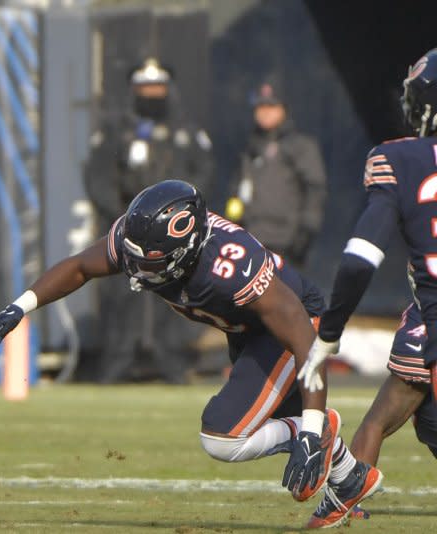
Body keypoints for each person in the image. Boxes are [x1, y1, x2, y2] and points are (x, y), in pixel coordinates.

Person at [0, 179, 376, 523]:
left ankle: (319, 433)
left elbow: (307, 345)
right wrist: (21, 305)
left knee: (224, 436)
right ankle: (350, 481)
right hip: (247, 332)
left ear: (186, 249)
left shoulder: (230, 266)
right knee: (285, 452)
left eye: (150, 263)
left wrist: (309, 428)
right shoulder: (144, 238)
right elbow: (82, 266)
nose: (136, 271)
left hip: (296, 327)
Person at [298, 48, 437, 528]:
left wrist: (329, 331)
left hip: (431, 319)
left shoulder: (399, 158)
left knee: (391, 414)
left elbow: (360, 260)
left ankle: (339, 501)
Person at [82, 57, 215, 383]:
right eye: (145, 88)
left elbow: (205, 172)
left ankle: (172, 362)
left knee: (173, 294)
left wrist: (182, 213)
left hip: (174, 232)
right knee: (122, 297)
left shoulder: (186, 130)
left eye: (157, 87)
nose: (152, 94)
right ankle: (117, 362)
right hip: (128, 227)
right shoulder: (117, 130)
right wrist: (123, 215)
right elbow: (97, 176)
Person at [225, 79, 327, 269]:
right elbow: (236, 191)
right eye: (260, 106)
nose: (265, 112)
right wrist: (233, 224)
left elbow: (315, 190)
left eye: (271, 106)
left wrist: (305, 233)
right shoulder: (250, 148)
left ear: (284, 109)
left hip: (286, 244)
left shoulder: (300, 147)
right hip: (250, 242)